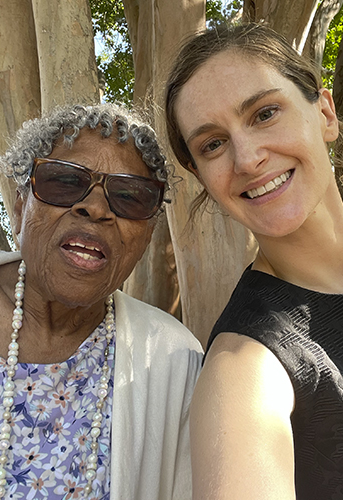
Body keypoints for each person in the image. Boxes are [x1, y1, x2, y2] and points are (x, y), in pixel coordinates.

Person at [0, 103, 204, 500]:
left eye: (130, 196)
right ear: (19, 208)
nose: (96, 207)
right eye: (64, 182)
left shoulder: (175, 358)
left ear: (146, 238)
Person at [165, 23, 343, 499]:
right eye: (213, 144)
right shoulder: (246, 371)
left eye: (265, 113)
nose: (247, 158)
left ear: (325, 113)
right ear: (202, 177)